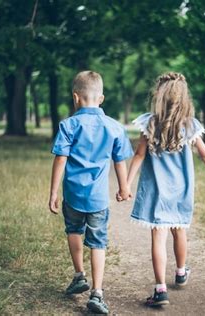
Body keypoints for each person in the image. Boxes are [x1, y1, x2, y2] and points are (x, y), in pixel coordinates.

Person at [119, 72, 205, 307]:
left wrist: (126, 184)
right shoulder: (190, 126)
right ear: (184, 99)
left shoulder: (149, 124)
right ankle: (180, 272)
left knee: (158, 238)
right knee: (179, 231)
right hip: (181, 192)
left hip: (156, 192)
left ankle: (160, 290)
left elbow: (139, 155)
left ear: (158, 97)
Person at [49, 71, 133, 314]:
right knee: (98, 243)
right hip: (98, 199)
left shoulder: (68, 125)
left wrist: (53, 192)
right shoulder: (114, 127)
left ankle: (79, 275)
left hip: (73, 195)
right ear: (102, 98)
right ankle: (97, 293)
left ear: (76, 97)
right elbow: (119, 161)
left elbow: (60, 160)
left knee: (73, 230)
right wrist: (124, 186)